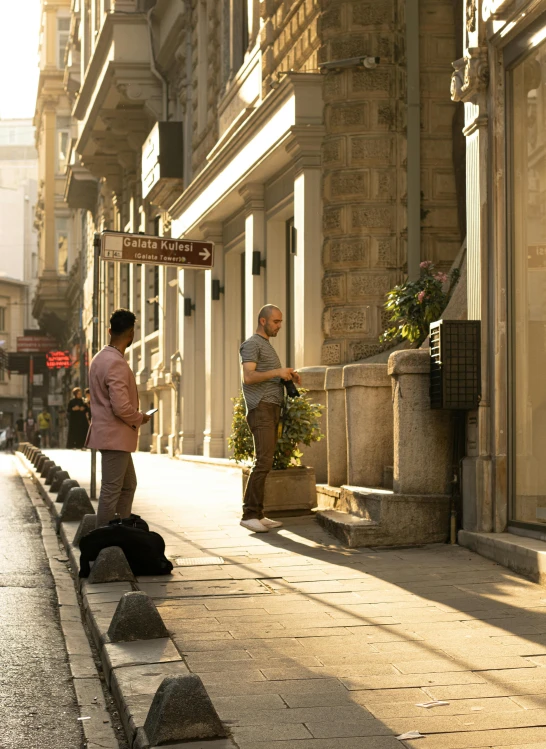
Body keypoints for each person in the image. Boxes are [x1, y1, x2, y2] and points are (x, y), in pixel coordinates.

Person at [86, 308, 151, 527]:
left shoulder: (99, 358)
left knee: (127, 485)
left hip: (112, 437)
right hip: (115, 437)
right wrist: (140, 417)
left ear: (109, 330)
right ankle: (101, 542)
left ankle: (122, 531)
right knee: (112, 490)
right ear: (131, 333)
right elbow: (121, 407)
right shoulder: (116, 362)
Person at [239, 304, 301, 533]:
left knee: (265, 461)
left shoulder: (265, 346)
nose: (279, 326)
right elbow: (249, 377)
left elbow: (264, 375)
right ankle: (249, 514)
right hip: (261, 408)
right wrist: (278, 372)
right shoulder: (252, 344)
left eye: (280, 321)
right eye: (276, 321)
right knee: (262, 462)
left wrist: (287, 376)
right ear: (263, 321)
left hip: (271, 408)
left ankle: (259, 513)